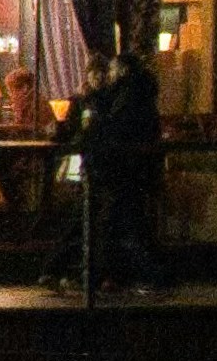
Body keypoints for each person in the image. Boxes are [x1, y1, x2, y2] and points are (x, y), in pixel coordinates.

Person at [60, 42, 162, 297]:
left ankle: (117, 276)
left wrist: (94, 128)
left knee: (115, 223)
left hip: (122, 169)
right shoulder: (135, 94)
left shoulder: (126, 97)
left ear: (124, 71)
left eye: (113, 69)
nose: (109, 75)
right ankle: (113, 276)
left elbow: (114, 128)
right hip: (129, 169)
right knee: (120, 224)